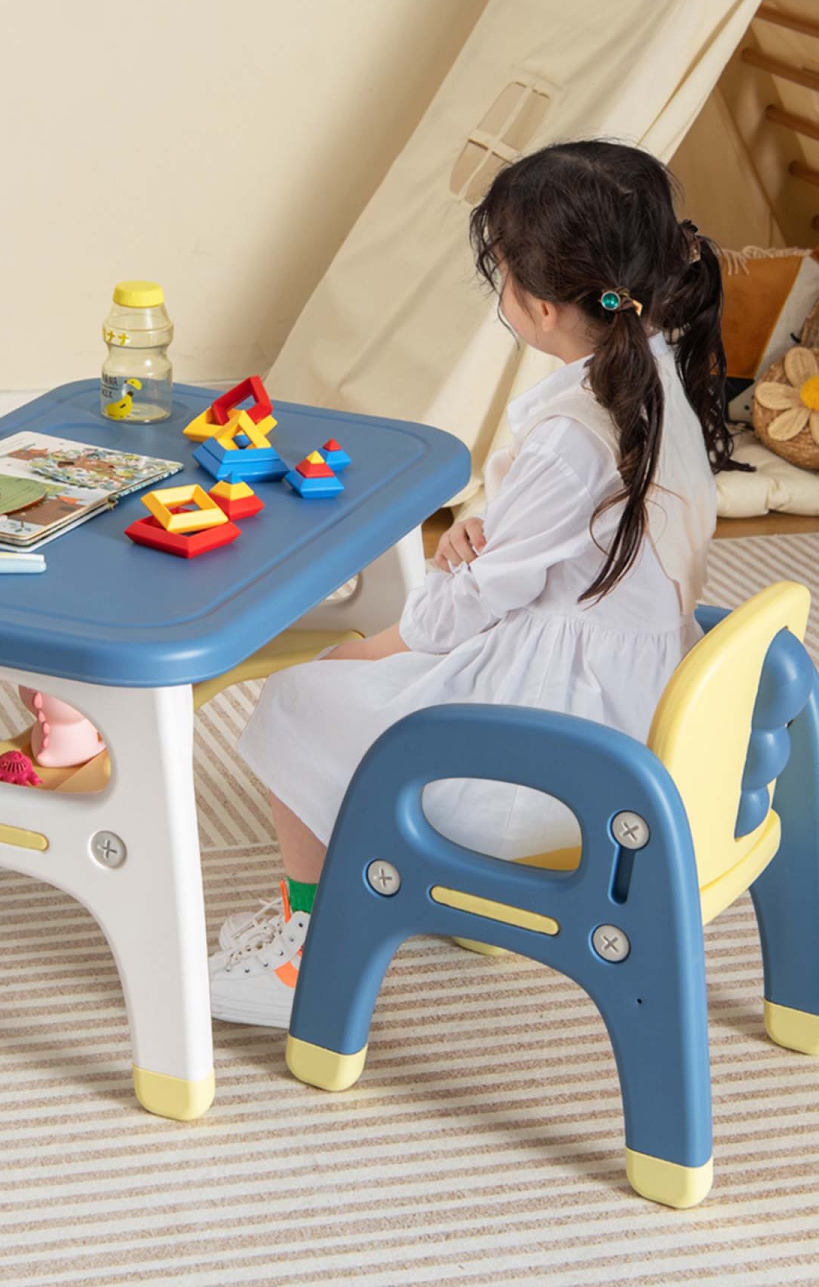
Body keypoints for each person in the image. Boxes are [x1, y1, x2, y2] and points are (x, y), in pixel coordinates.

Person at [211, 139, 737, 1027]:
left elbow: (469, 607)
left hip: (559, 750)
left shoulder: (576, 434)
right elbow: (562, 548)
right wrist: (490, 537)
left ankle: (307, 954)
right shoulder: (656, 373)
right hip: (627, 697)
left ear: (535, 307)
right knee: (353, 668)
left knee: (298, 697)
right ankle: (353, 898)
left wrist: (372, 647)